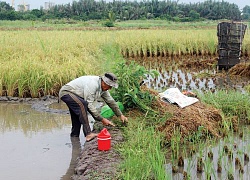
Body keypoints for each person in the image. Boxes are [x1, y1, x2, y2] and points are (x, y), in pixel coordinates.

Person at [59, 72, 128, 142]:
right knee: (83, 105)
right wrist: (101, 119)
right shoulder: (93, 84)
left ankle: (74, 137)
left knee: (77, 116)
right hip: (67, 92)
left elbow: (111, 101)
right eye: (110, 86)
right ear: (104, 83)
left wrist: (120, 115)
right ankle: (88, 134)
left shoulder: (103, 89)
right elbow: (89, 104)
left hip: (76, 96)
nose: (110, 88)